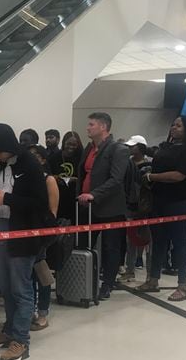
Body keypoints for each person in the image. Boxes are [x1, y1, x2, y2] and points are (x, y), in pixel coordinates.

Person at [0, 123, 49, 360]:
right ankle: (10, 330)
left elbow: (39, 203)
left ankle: (21, 340)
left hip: (23, 232)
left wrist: (7, 198)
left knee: (21, 288)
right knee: (5, 285)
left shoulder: (30, 164)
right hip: (0, 228)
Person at [137, 116, 186, 301]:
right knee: (157, 241)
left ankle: (183, 286)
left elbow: (179, 176)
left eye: (179, 125)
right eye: (173, 124)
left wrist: (152, 177)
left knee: (180, 242)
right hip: (158, 199)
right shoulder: (165, 147)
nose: (174, 127)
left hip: (179, 201)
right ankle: (153, 280)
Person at [76, 112, 129, 299]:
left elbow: (116, 180)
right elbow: (84, 174)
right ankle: (84, 280)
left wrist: (94, 194)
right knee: (83, 243)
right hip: (87, 206)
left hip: (110, 208)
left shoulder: (118, 150)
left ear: (103, 127)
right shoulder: (89, 149)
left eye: (91, 124)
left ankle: (107, 283)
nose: (88, 128)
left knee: (110, 247)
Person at [29, 145, 59, 330]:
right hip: (26, 232)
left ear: (42, 159)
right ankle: (31, 309)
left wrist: (44, 235)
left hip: (41, 233)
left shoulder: (48, 180)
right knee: (29, 275)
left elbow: (52, 212)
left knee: (41, 273)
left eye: (34, 156)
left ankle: (43, 312)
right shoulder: (28, 179)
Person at [120, 135, 152, 280]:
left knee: (149, 242)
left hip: (146, 208)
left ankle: (151, 274)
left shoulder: (150, 166)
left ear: (140, 147)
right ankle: (130, 270)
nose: (130, 148)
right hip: (130, 207)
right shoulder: (126, 163)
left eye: (133, 146)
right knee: (130, 240)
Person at [53, 132, 83, 224]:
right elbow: (49, 175)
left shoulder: (82, 157)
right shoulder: (55, 157)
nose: (71, 147)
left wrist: (76, 180)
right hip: (59, 196)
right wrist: (57, 178)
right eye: (68, 144)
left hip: (76, 196)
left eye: (74, 144)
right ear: (63, 143)